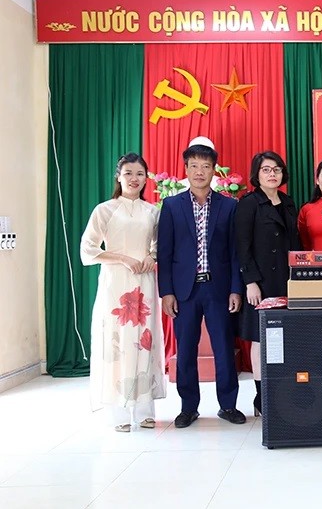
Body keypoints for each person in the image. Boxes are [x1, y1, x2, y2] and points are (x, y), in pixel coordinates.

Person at [157, 142, 245, 428]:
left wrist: (235, 288)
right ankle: (188, 407)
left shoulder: (229, 206)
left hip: (218, 289)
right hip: (185, 291)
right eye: (194, 166)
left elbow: (234, 252)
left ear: (213, 171)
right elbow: (165, 253)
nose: (199, 171)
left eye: (205, 166)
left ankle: (228, 405)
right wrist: (167, 292)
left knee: (223, 349)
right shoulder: (171, 206)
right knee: (185, 351)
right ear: (185, 169)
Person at [80, 153, 166, 432]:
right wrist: (123, 259)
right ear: (118, 176)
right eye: (128, 173)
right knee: (116, 342)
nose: (134, 179)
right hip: (116, 283)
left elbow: (158, 245)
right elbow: (88, 250)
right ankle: (118, 412)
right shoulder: (104, 210)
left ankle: (144, 409)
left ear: (146, 178)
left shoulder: (152, 211)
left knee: (143, 339)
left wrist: (152, 258)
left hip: (144, 283)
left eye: (140, 173)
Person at [234, 151, 302, 417]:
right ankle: (261, 397)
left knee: (285, 337)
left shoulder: (287, 202)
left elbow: (295, 243)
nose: (272, 174)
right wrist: (250, 281)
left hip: (288, 280)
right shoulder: (249, 203)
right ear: (257, 174)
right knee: (260, 338)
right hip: (260, 283)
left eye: (276, 169)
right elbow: (242, 246)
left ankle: (283, 390)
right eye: (266, 170)